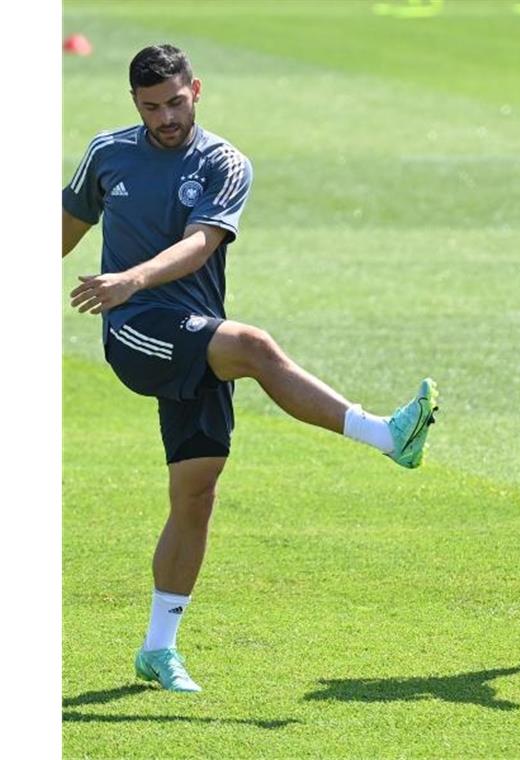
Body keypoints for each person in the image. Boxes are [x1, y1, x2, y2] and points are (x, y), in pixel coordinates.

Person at [62, 44, 439, 693]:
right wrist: (126, 289)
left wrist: (132, 275)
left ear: (196, 90)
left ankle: (158, 649)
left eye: (175, 102)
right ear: (135, 104)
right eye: (152, 107)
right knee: (257, 348)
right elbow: (55, 234)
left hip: (193, 332)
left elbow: (200, 244)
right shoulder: (107, 155)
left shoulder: (225, 163)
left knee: (196, 495)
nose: (166, 117)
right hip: (135, 333)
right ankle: (386, 435)